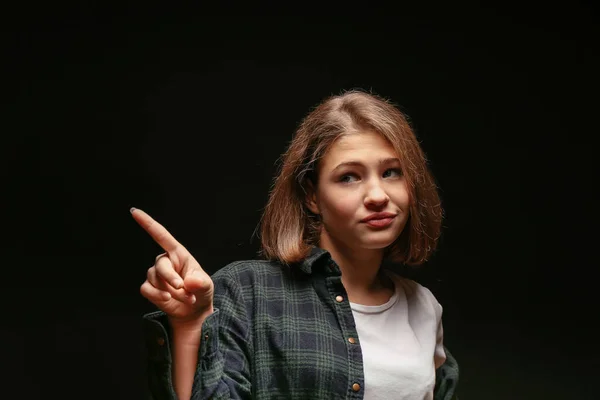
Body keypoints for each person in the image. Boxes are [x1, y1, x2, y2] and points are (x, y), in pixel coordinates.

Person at [132, 90, 460, 400]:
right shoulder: (247, 292)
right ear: (312, 196)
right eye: (349, 177)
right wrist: (191, 324)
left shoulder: (423, 308)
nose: (377, 195)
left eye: (392, 172)